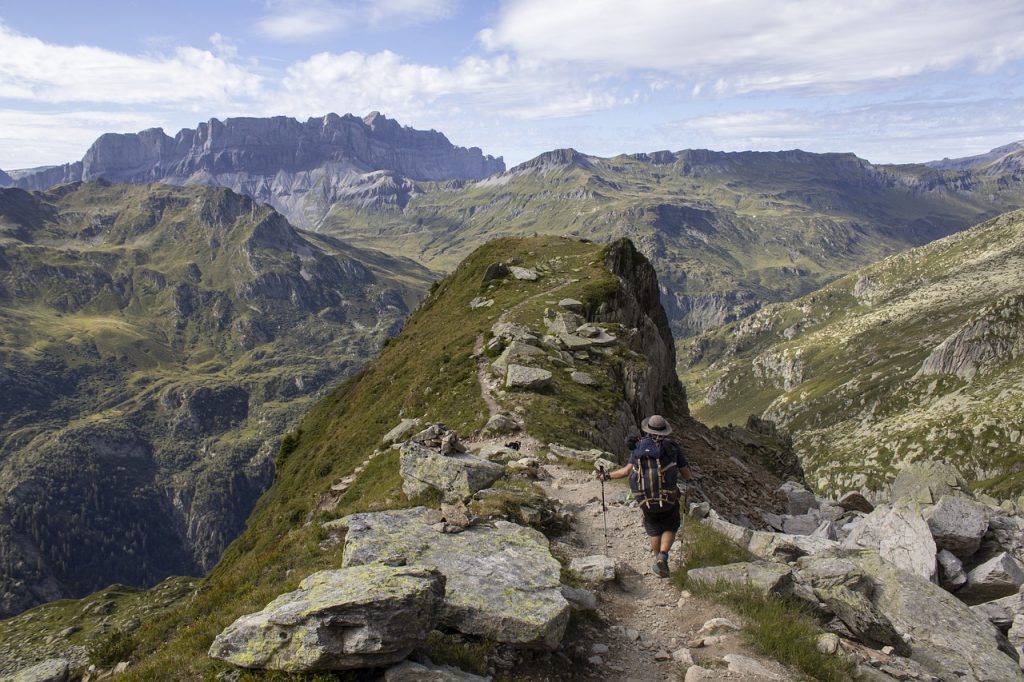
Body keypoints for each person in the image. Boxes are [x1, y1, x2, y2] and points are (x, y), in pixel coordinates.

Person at [599, 414, 692, 578]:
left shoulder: (638, 447)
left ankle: (658, 560)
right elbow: (686, 474)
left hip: (645, 500)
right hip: (669, 498)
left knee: (653, 526)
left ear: (648, 429)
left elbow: (626, 471)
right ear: (664, 432)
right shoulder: (672, 447)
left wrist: (606, 476)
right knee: (670, 525)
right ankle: (663, 556)